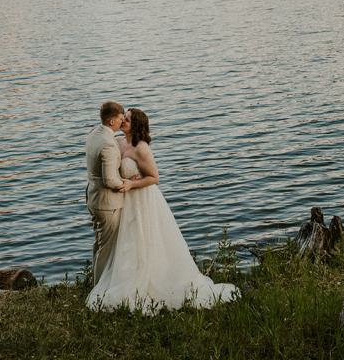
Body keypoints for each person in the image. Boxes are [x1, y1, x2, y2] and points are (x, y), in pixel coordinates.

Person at [86, 106, 239, 312]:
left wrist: (131, 184)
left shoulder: (141, 148)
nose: (123, 121)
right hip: (125, 201)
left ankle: (149, 280)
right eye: (124, 118)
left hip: (141, 199)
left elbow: (154, 178)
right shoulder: (118, 142)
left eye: (128, 120)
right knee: (126, 243)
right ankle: (120, 277)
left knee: (145, 240)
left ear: (137, 125)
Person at [85, 101, 137, 283]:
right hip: (107, 203)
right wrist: (127, 183)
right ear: (111, 122)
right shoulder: (108, 144)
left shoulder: (94, 133)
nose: (123, 121)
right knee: (106, 248)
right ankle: (100, 289)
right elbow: (109, 180)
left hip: (93, 197)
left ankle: (95, 282)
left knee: (99, 243)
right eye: (120, 118)